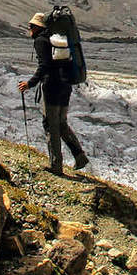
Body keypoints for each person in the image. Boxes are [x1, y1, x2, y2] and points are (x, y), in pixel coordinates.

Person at [17, 11, 87, 175]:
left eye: (31, 26)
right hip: (65, 86)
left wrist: (30, 83)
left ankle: (56, 166)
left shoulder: (41, 41)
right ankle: (80, 156)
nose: (29, 29)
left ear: (37, 27)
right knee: (62, 123)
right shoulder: (57, 40)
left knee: (51, 125)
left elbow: (44, 66)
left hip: (51, 88)